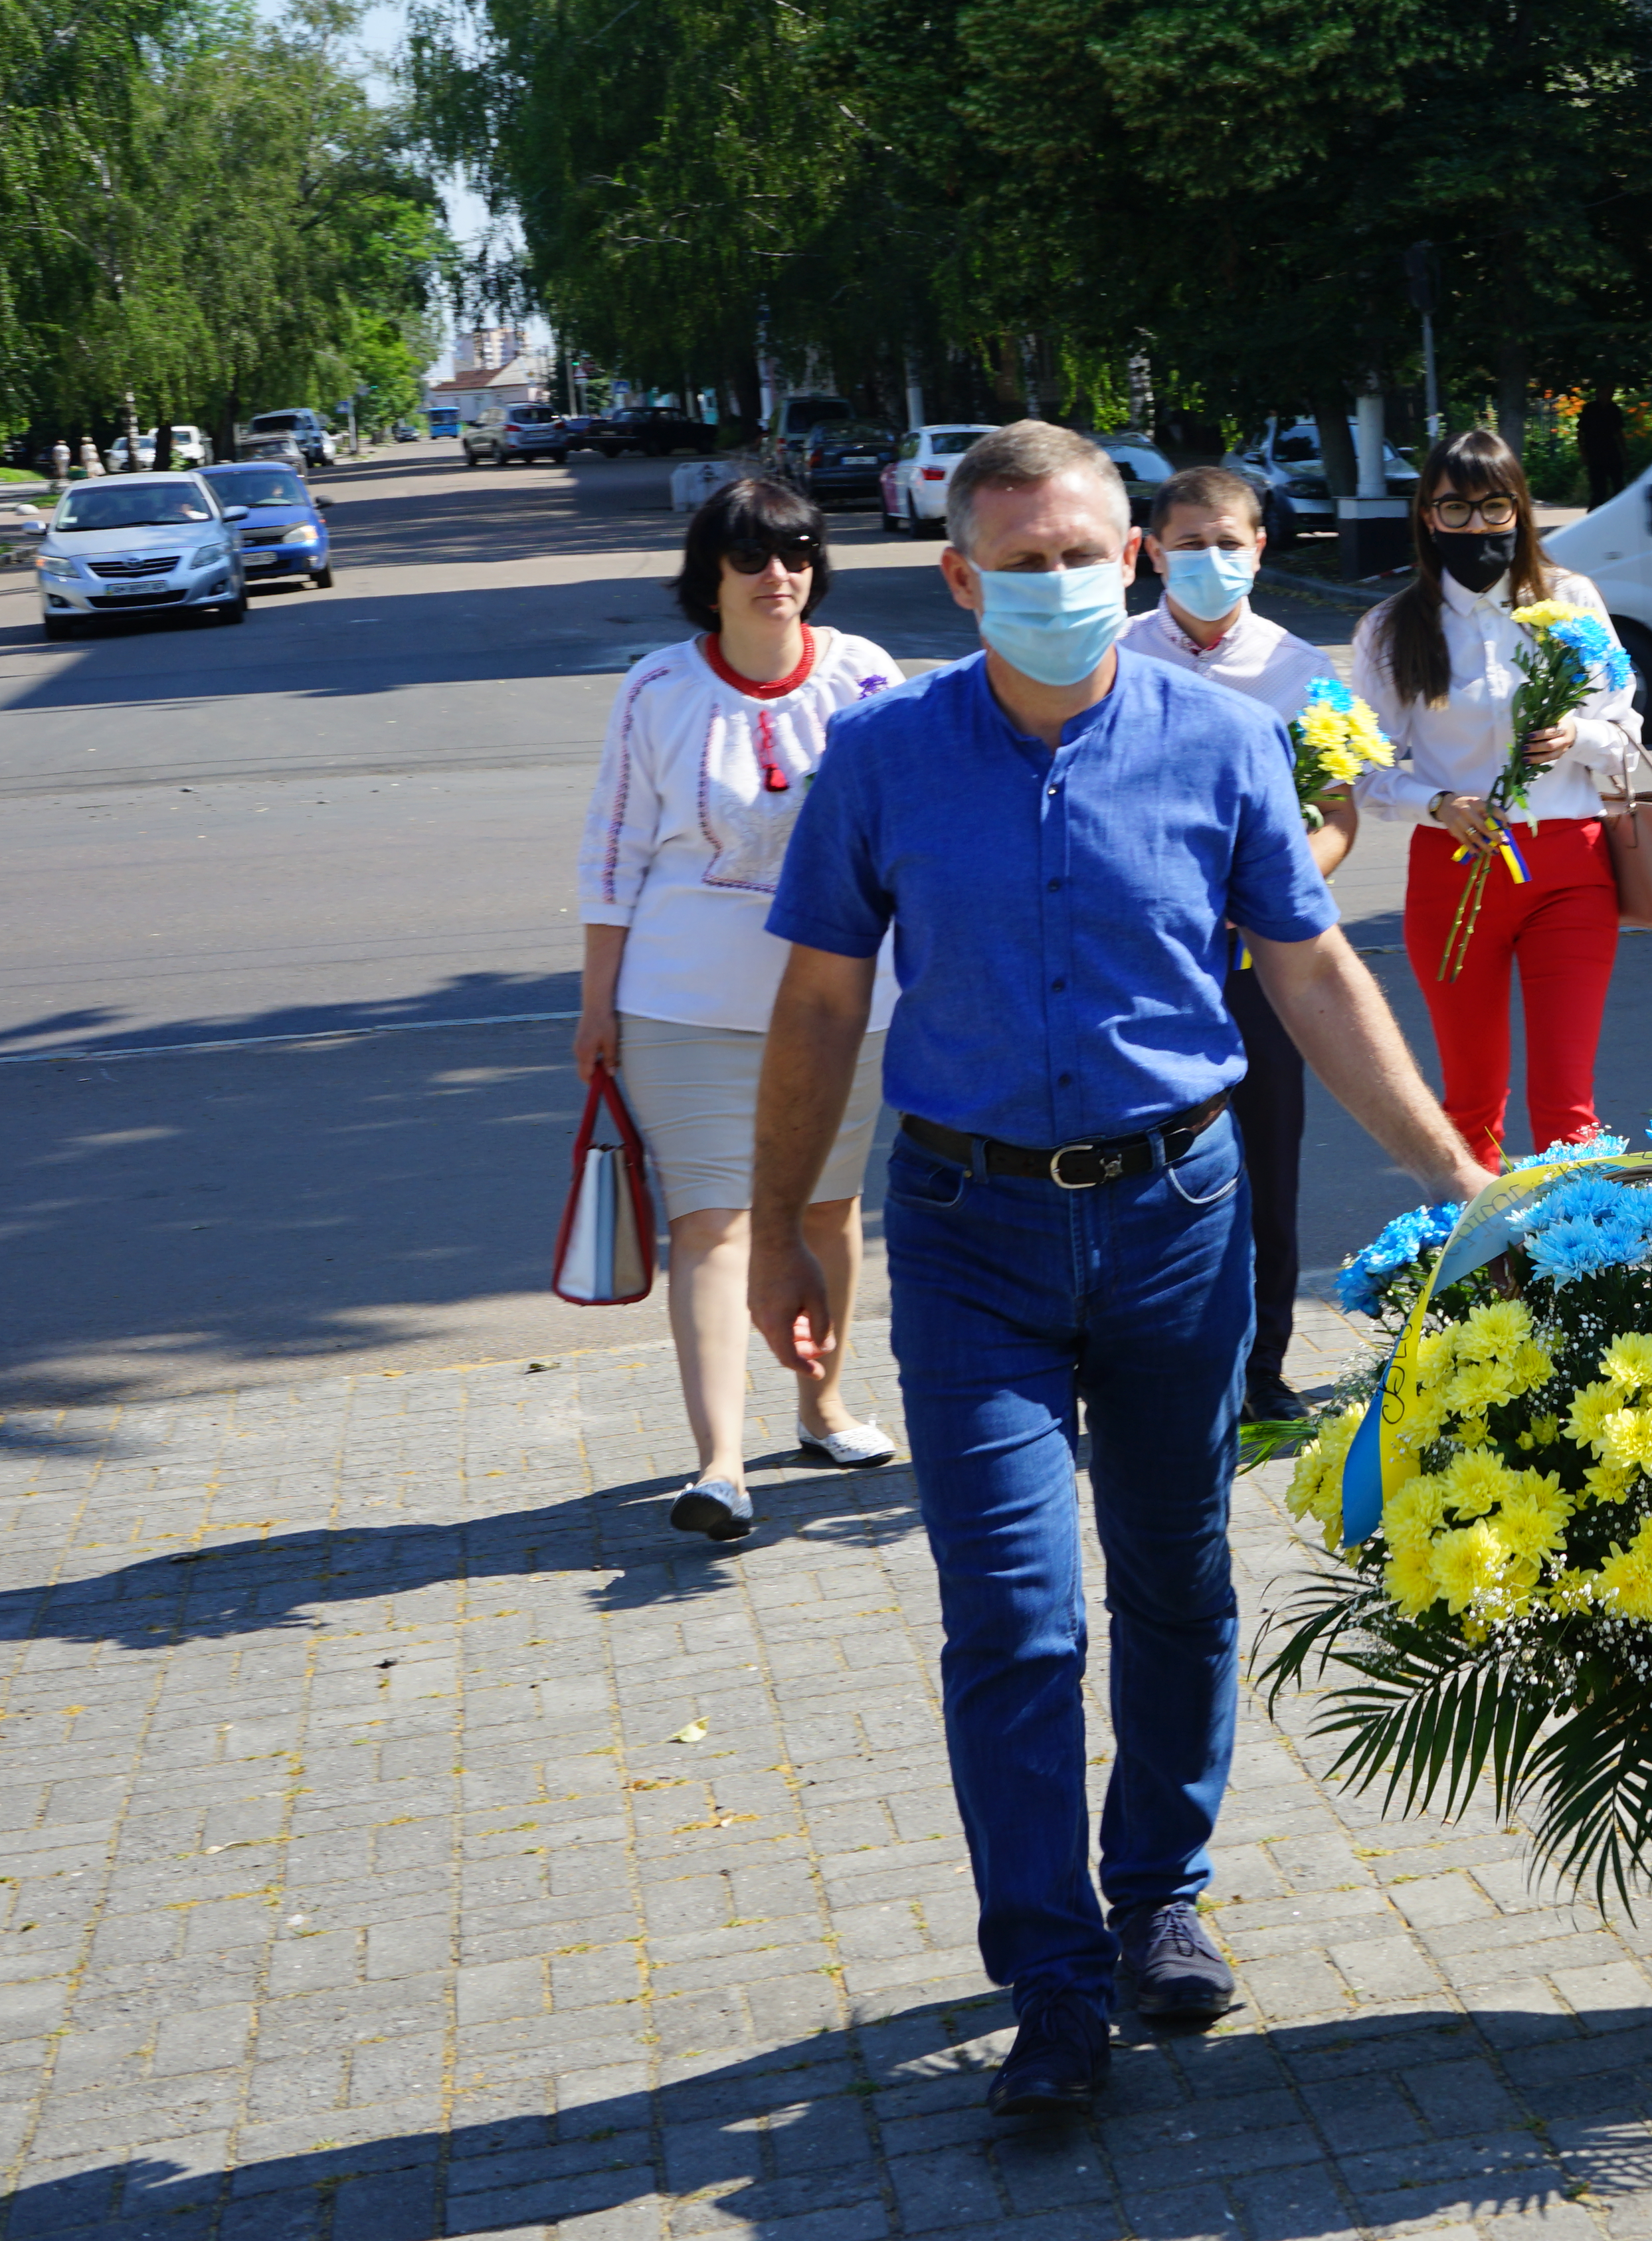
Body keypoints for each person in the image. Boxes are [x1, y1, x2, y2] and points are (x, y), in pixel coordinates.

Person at [748, 421, 1487, 2119]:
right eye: (1019, 565)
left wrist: (1453, 1169)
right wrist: (794, 1219)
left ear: (1134, 557)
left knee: (1173, 1579)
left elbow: (1307, 974)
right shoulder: (885, 758)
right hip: (964, 1234)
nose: (1059, 585)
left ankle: (1160, 1894)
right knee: (1012, 1616)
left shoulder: (1225, 745)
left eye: (1085, 554)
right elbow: (815, 1005)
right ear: (959, 581)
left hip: (1174, 1219)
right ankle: (1054, 1971)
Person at [573, 477, 907, 1543]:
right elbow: (613, 853)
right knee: (712, 1223)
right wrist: (597, 1003)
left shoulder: (862, 677)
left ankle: (822, 1408)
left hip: (846, 999)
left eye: (799, 552)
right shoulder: (658, 690)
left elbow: (908, 836)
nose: (781, 575)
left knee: (824, 1212)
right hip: (682, 1004)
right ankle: (718, 1467)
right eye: (755, 556)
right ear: (709, 576)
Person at [1115, 465, 1362, 1424]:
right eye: (1190, 545)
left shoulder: (1302, 672)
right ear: (1149, 552)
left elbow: (1339, 817)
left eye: (1231, 543)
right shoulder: (1116, 657)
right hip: (1142, 968)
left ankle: (1262, 1371)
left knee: (1267, 1161)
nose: (1212, 561)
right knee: (1145, 1167)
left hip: (1260, 967)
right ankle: (1149, 1368)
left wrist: (1273, 888)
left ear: (1261, 548)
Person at [1350, 431, 1647, 1168]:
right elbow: (1365, 770)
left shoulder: (1571, 601)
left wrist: (1575, 733)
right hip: (1457, 870)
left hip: (1569, 867)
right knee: (1471, 1105)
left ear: (1521, 510)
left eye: (1494, 507)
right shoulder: (1393, 627)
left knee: (1567, 1107)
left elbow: (1628, 737)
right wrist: (1437, 802)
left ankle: (1579, 1269)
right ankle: (1483, 1274)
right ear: (1426, 515)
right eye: (1455, 508)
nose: (1477, 526)